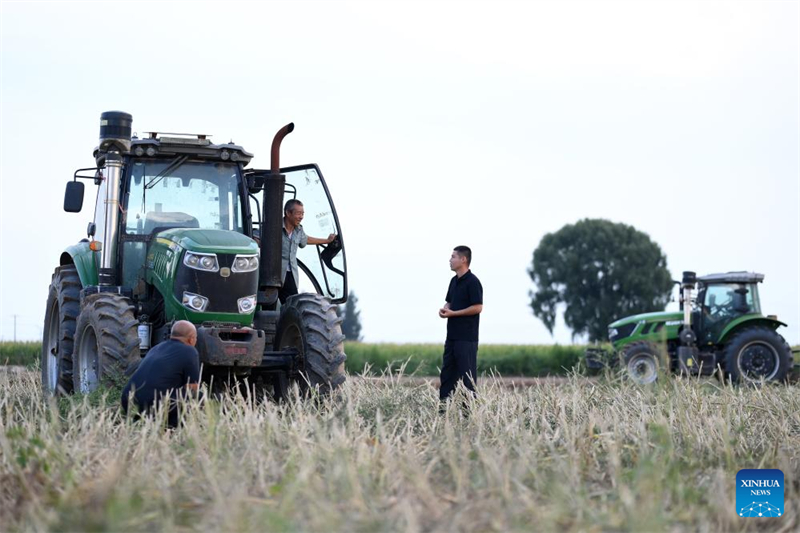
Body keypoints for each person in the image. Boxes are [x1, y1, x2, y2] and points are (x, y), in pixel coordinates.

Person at [121, 320, 201, 428]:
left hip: (128, 400)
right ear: (191, 339)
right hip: (153, 404)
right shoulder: (190, 351)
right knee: (198, 396)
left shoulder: (156, 348)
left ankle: (146, 426)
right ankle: (174, 428)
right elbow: (193, 388)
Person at [438, 245, 483, 404]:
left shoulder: (473, 282)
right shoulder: (453, 281)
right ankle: (443, 413)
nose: (450, 260)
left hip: (467, 339)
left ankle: (469, 415)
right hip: (452, 337)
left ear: (463, 259)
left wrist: (454, 314)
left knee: (467, 380)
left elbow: (478, 307)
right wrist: (445, 309)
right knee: (447, 377)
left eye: (453, 257)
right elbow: (449, 302)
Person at [279, 199, 336, 304]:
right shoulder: (274, 227)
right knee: (269, 307)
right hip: (274, 274)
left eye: (302, 214)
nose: (301, 217)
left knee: (293, 305)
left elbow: (306, 239)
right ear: (288, 213)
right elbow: (258, 237)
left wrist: (327, 241)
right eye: (298, 213)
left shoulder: (299, 230)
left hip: (290, 274)